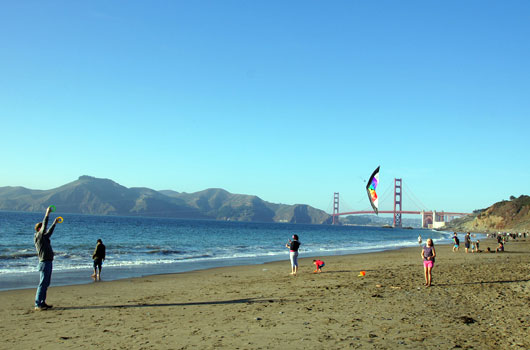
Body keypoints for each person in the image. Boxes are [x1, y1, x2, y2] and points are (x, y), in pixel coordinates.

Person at [34, 206, 60, 311]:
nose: (44, 230)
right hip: (44, 263)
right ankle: (38, 304)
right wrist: (47, 214)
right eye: (42, 228)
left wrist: (54, 223)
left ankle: (42, 302)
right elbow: (44, 227)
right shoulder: (38, 237)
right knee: (42, 283)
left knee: (46, 283)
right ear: (39, 229)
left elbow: (49, 232)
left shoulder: (44, 237)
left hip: (48, 262)